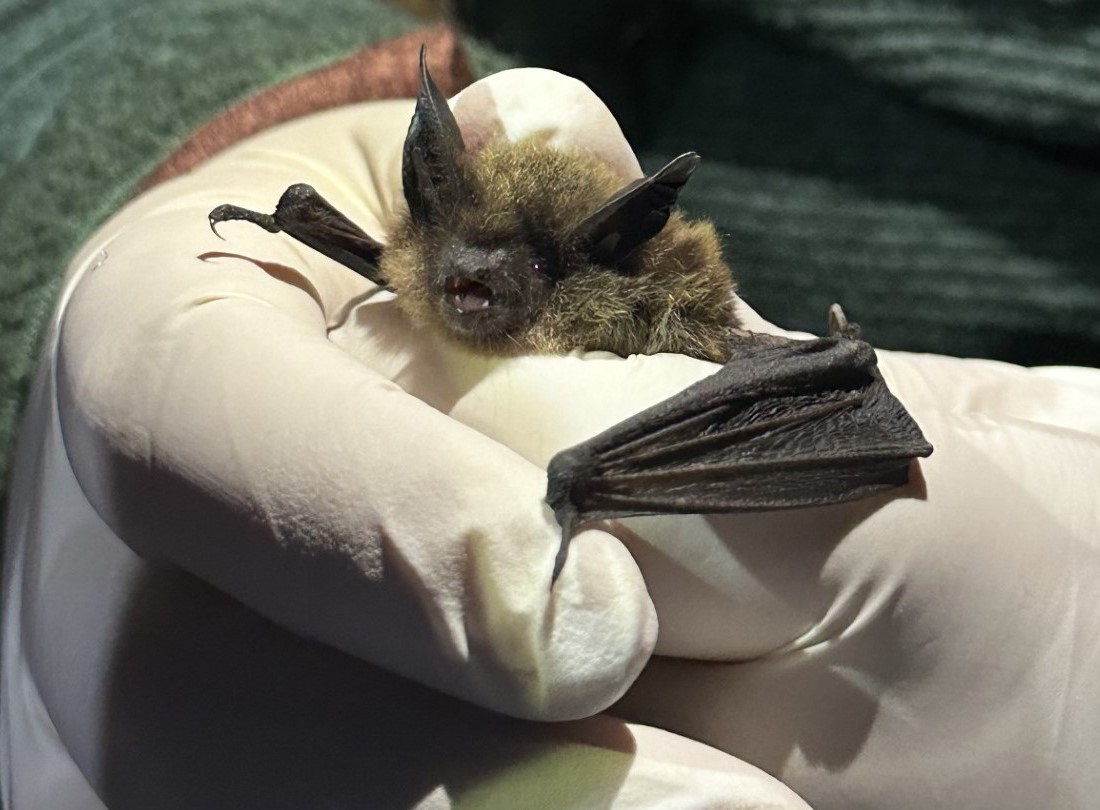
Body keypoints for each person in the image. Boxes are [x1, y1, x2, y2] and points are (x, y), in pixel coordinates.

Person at [4, 66, 1099, 810]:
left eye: (507, 273)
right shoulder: (418, 259)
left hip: (728, 415)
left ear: (587, 263)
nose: (470, 285)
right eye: (457, 259)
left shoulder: (628, 308)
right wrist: (216, 127)